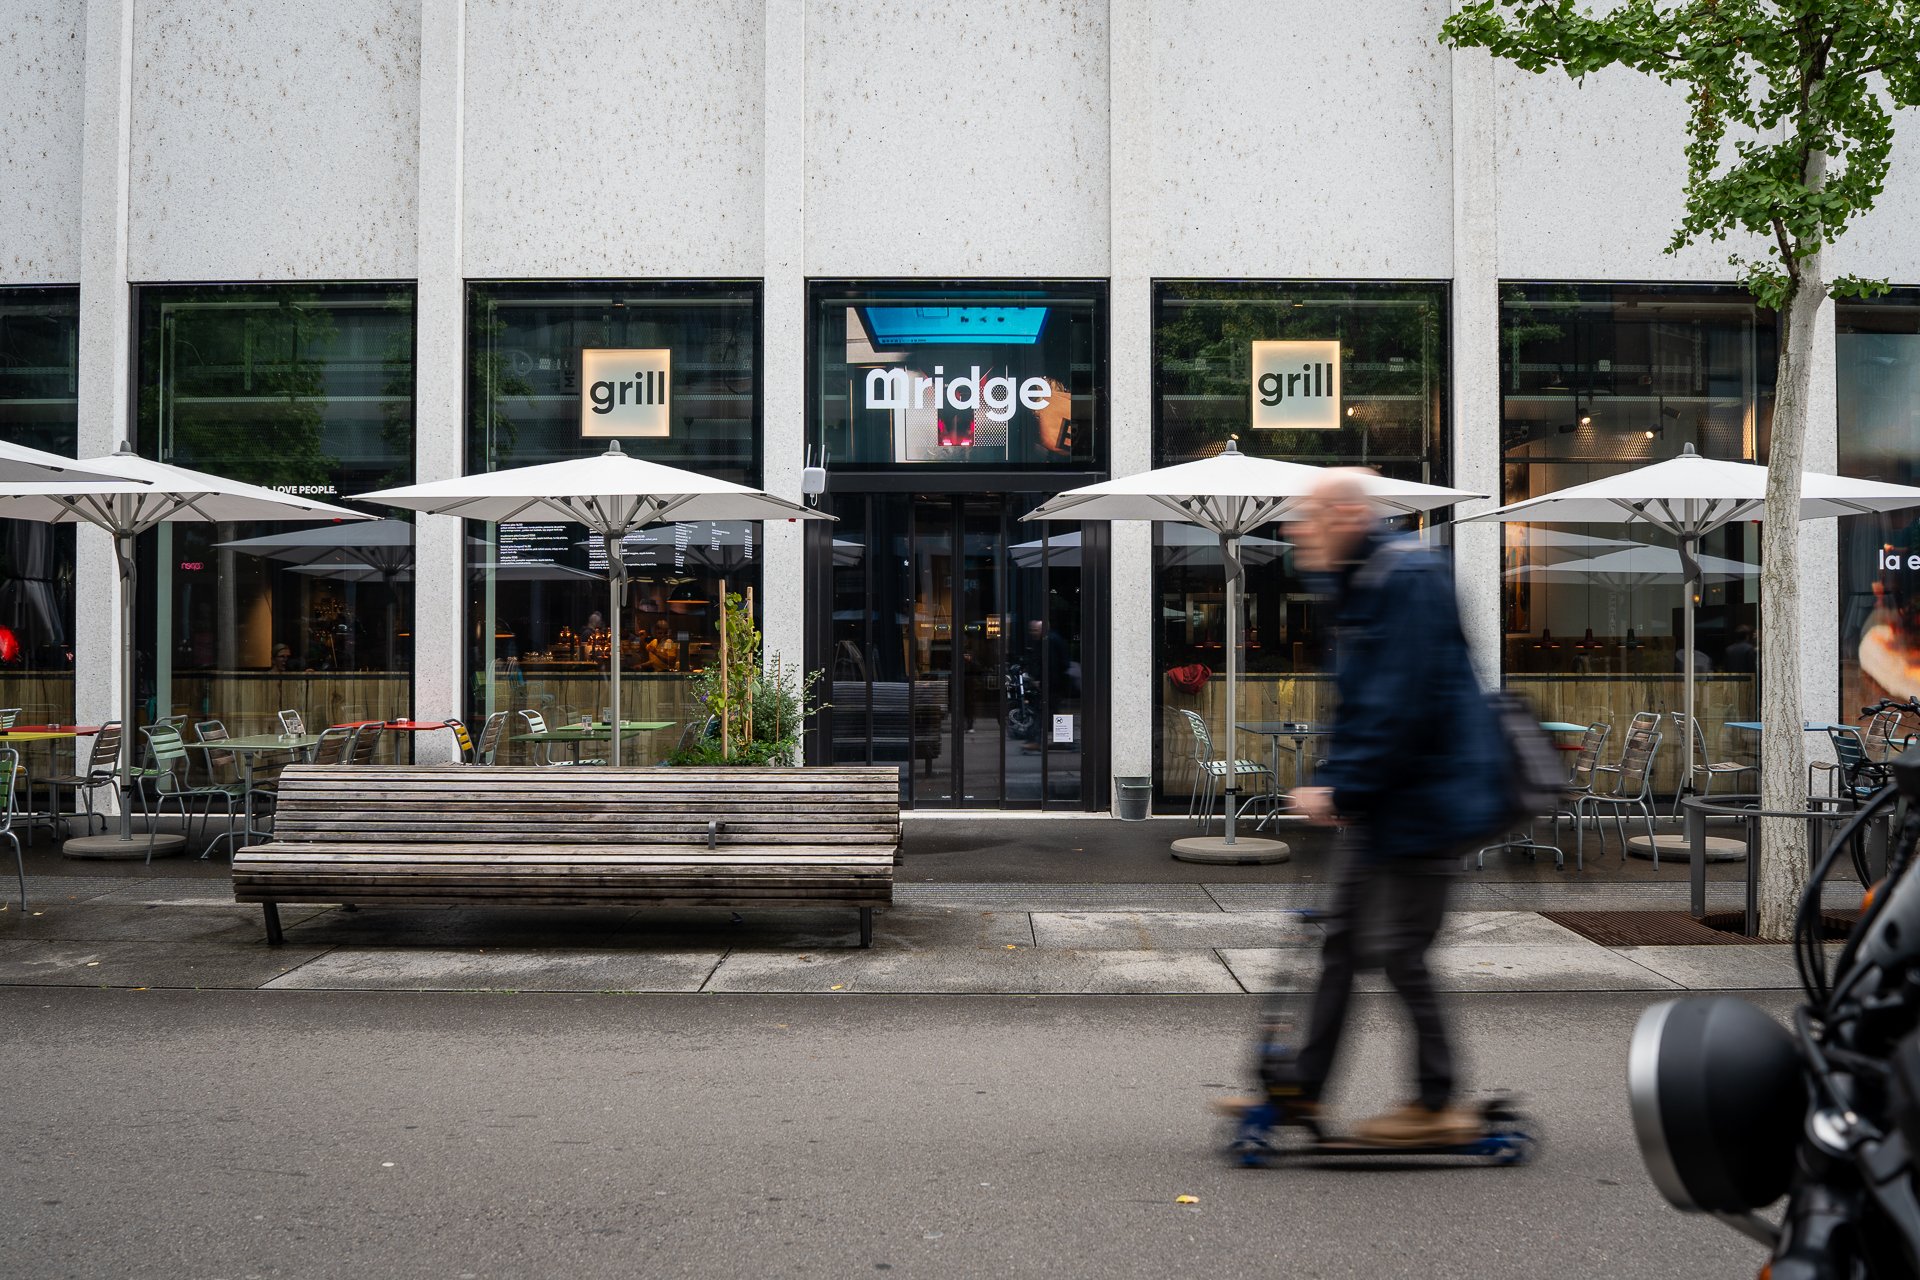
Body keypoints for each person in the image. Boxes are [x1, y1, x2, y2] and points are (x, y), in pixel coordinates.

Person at [1227, 468, 1502, 1147]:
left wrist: (1340, 786)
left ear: (1348, 516)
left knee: (1401, 950)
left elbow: (1399, 705)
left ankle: (1438, 1102)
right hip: (1387, 805)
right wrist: (1338, 778)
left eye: (1308, 519)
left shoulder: (1405, 581)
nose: (1295, 532)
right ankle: (1302, 1092)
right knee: (1344, 945)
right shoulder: (1359, 587)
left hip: (1427, 804)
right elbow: (1362, 707)